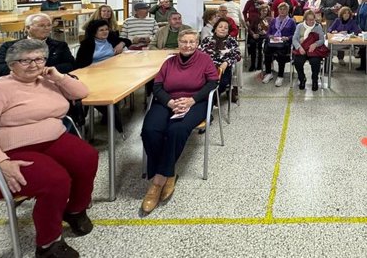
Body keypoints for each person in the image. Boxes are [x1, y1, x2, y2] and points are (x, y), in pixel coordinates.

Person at [0, 39, 98, 258]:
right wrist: (1, 162)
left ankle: (75, 210)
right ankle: (49, 244)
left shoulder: (47, 80)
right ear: (11, 65)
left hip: (52, 139)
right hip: (10, 150)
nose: (34, 65)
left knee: (87, 157)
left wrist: (58, 77)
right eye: (25, 60)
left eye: (39, 59)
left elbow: (80, 92)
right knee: (55, 180)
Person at [140, 30, 219, 214]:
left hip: (195, 101)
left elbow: (212, 83)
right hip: (168, 101)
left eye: (192, 42)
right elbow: (157, 86)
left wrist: (192, 100)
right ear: (178, 43)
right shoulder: (169, 62)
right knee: (150, 130)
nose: (188, 45)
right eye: (184, 41)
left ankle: (158, 180)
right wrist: (170, 102)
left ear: (197, 43)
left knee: (177, 130)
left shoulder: (205, 60)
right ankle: (169, 172)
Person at [75, 19, 131, 133]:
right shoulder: (87, 44)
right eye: (101, 30)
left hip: (111, 72)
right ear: (94, 32)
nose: (105, 32)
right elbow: (79, 65)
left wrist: (121, 44)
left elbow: (127, 40)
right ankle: (81, 120)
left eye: (106, 29)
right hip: (92, 74)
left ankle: (110, 116)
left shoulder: (110, 39)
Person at [0, 13, 75, 79]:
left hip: (51, 83)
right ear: (27, 28)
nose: (47, 28)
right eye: (41, 25)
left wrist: (44, 70)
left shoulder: (60, 46)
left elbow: (71, 64)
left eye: (49, 25)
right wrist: (26, 70)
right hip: (19, 85)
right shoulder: (10, 46)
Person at [200, 18, 242, 102]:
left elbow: (237, 55)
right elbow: (201, 54)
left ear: (228, 31)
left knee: (220, 84)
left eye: (225, 28)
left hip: (223, 69)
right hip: (207, 68)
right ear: (215, 29)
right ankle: (208, 101)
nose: (223, 29)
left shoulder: (232, 41)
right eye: (220, 27)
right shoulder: (207, 40)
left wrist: (227, 62)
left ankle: (212, 100)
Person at [262, 2, 296, 87]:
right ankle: (269, 73)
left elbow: (295, 35)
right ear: (278, 10)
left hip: (284, 43)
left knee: (281, 54)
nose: (282, 11)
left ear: (288, 11)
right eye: (280, 9)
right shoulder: (274, 20)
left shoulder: (291, 21)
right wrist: (270, 36)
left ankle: (280, 76)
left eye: (284, 9)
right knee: (267, 51)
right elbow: (268, 33)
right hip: (273, 42)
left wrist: (287, 38)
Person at [292, 10, 326, 91]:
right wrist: (299, 47)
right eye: (309, 19)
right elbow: (294, 39)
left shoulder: (318, 26)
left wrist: (315, 44)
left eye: (313, 19)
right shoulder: (299, 26)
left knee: (315, 62)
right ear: (305, 19)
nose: (311, 21)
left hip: (313, 49)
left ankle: (315, 80)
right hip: (302, 48)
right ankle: (302, 78)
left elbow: (322, 40)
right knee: (297, 61)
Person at [247, 3, 271, 72]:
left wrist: (266, 33)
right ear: (260, 11)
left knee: (261, 46)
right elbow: (250, 29)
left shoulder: (269, 19)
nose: (264, 12)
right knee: (252, 44)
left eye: (266, 11)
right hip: (256, 35)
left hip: (264, 37)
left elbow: (272, 31)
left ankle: (259, 65)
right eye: (263, 10)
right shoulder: (256, 18)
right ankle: (252, 64)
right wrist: (253, 34)